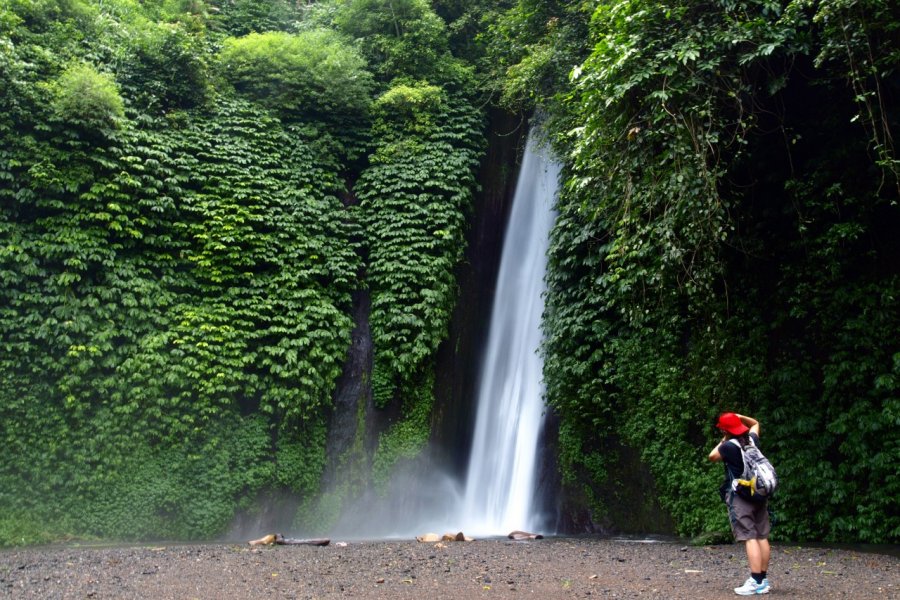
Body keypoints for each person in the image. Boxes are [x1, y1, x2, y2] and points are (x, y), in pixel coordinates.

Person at [709, 412, 771, 596]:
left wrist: (726, 436)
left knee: (749, 536)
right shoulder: (752, 439)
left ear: (725, 430)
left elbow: (712, 456)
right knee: (761, 536)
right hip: (760, 493)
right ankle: (763, 580)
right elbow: (755, 423)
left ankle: (754, 581)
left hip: (742, 496)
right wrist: (739, 416)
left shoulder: (728, 446)